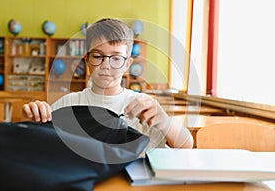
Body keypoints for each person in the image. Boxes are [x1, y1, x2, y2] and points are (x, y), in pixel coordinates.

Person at [23, 18, 193, 149]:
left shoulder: (142, 106)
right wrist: (34, 119)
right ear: (87, 60)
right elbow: (33, 141)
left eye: (116, 58)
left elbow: (186, 145)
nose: (106, 65)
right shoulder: (69, 103)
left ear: (127, 64)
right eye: (97, 56)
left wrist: (164, 121)